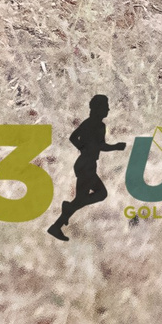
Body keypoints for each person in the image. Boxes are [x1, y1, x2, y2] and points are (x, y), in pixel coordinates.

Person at [47, 94, 126, 240]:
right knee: (99, 194)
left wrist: (82, 148)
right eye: (105, 106)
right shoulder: (98, 125)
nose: (108, 109)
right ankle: (65, 212)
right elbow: (100, 145)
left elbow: (73, 137)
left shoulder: (88, 123)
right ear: (97, 109)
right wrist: (116, 146)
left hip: (84, 163)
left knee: (86, 197)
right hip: (87, 166)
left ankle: (57, 225)